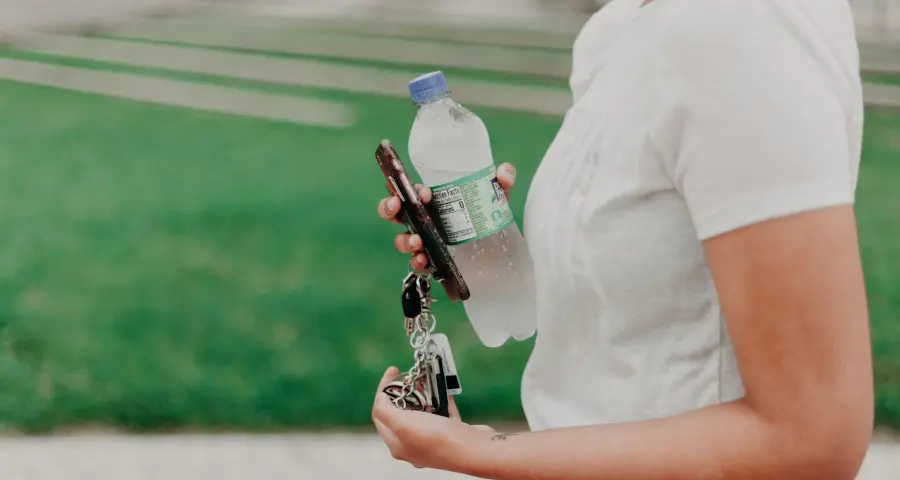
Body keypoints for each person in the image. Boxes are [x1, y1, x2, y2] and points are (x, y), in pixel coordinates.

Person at [371, 0, 875, 478]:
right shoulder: (620, 28)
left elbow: (811, 439)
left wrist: (479, 451)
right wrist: (476, 243)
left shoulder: (745, 26)